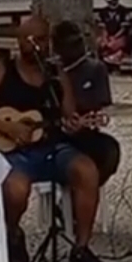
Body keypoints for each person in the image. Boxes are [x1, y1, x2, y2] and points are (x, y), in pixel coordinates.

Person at [0, 15, 108, 262]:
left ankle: (81, 248)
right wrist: (6, 127)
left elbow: (68, 114)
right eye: (31, 40)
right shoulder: (0, 74)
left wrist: (76, 123)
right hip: (14, 153)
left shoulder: (56, 75)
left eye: (42, 39)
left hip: (52, 147)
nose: (37, 45)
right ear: (19, 42)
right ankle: (13, 234)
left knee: (87, 171)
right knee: (16, 189)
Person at [52, 21, 121, 185]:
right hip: (50, 135)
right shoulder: (49, 70)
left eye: (78, 43)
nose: (77, 48)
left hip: (82, 132)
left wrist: (80, 119)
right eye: (70, 45)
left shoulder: (95, 68)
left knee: (110, 151)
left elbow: (99, 107)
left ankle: (86, 193)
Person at [96, 0, 130, 67]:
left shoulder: (124, 11)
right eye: (111, 1)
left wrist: (114, 37)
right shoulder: (103, 12)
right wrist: (105, 38)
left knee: (115, 44)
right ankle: (104, 61)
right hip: (107, 35)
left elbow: (124, 28)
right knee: (100, 43)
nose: (114, 2)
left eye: (115, 0)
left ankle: (115, 58)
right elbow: (102, 27)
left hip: (120, 36)